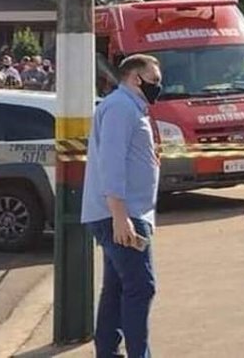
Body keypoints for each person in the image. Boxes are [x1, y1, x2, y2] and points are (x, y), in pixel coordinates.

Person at [82, 54, 163, 358]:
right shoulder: (120, 108)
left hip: (124, 212)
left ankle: (108, 351)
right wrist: (120, 216)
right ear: (134, 78)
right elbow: (111, 163)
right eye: (153, 80)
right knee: (141, 287)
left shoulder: (129, 107)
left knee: (117, 288)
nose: (158, 86)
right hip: (122, 214)